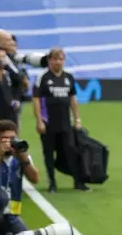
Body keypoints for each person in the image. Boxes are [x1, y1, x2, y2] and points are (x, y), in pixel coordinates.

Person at [32, 48, 88, 192]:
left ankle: (78, 181)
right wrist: (39, 120)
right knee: (49, 152)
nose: (58, 62)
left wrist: (77, 119)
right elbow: (36, 99)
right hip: (48, 121)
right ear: (50, 60)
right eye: (55, 59)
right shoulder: (43, 77)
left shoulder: (68, 77)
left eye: (61, 59)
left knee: (71, 150)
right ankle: (52, 183)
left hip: (65, 122)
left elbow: (72, 98)